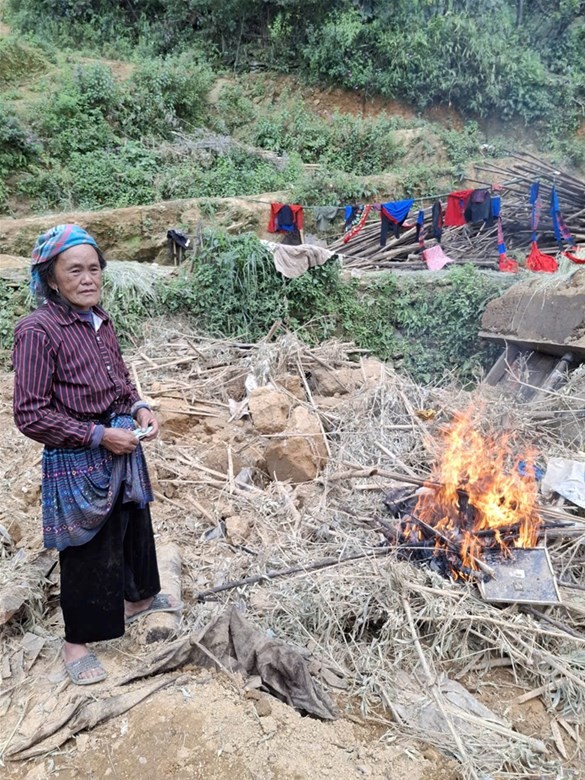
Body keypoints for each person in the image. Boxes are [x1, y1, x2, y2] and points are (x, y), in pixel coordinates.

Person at [12, 224, 182, 685]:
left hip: (123, 446)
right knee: (87, 547)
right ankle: (76, 644)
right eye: (75, 271)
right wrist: (98, 435)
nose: (88, 279)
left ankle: (139, 598)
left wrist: (140, 408)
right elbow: (30, 415)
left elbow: (121, 382)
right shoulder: (37, 331)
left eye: (94, 269)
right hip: (79, 457)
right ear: (50, 278)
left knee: (132, 523)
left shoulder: (99, 321)